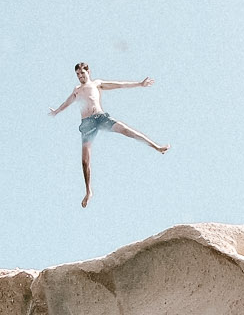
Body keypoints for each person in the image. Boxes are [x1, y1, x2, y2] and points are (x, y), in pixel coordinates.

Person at [49, 62, 168, 207]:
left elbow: (118, 84)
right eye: (78, 75)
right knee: (85, 161)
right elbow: (67, 102)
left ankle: (156, 147)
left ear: (88, 72)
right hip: (87, 124)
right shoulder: (77, 90)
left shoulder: (97, 84)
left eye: (82, 73)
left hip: (100, 118)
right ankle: (88, 191)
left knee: (126, 130)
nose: (80, 77)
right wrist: (56, 111)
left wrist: (139, 84)